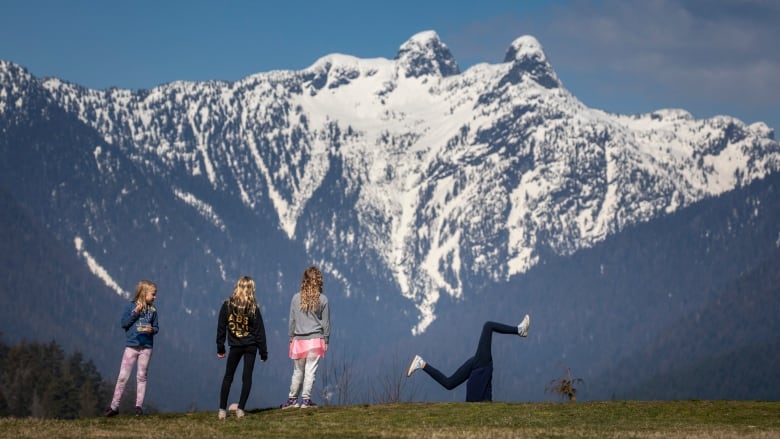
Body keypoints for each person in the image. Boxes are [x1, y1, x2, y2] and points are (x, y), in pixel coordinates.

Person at [405, 315, 530, 402]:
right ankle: (519, 330)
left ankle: (422, 364)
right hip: (481, 367)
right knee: (488, 326)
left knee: (449, 383)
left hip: (480, 366)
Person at [104, 280, 159, 417]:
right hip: (131, 346)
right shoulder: (130, 306)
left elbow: (157, 327)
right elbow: (124, 323)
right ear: (144, 293)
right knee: (123, 376)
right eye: (153, 294)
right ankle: (114, 406)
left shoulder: (153, 311)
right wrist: (135, 313)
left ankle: (138, 407)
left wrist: (152, 329)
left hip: (146, 347)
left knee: (141, 376)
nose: (155, 297)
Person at [216, 275, 268, 419]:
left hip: (235, 346)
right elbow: (260, 332)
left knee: (228, 377)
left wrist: (220, 348)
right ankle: (241, 409)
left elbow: (221, 328)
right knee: (247, 377)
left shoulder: (227, 305)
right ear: (251, 289)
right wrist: (263, 353)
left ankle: (222, 410)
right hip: (251, 346)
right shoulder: (253, 307)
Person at [280, 266, 330, 409]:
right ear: (318, 280)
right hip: (315, 340)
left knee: (298, 371)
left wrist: (291, 338)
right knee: (310, 371)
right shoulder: (323, 299)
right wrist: (326, 339)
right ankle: (306, 400)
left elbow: (292, 320)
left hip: (299, 340)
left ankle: (292, 400)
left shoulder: (296, 298)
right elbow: (325, 323)